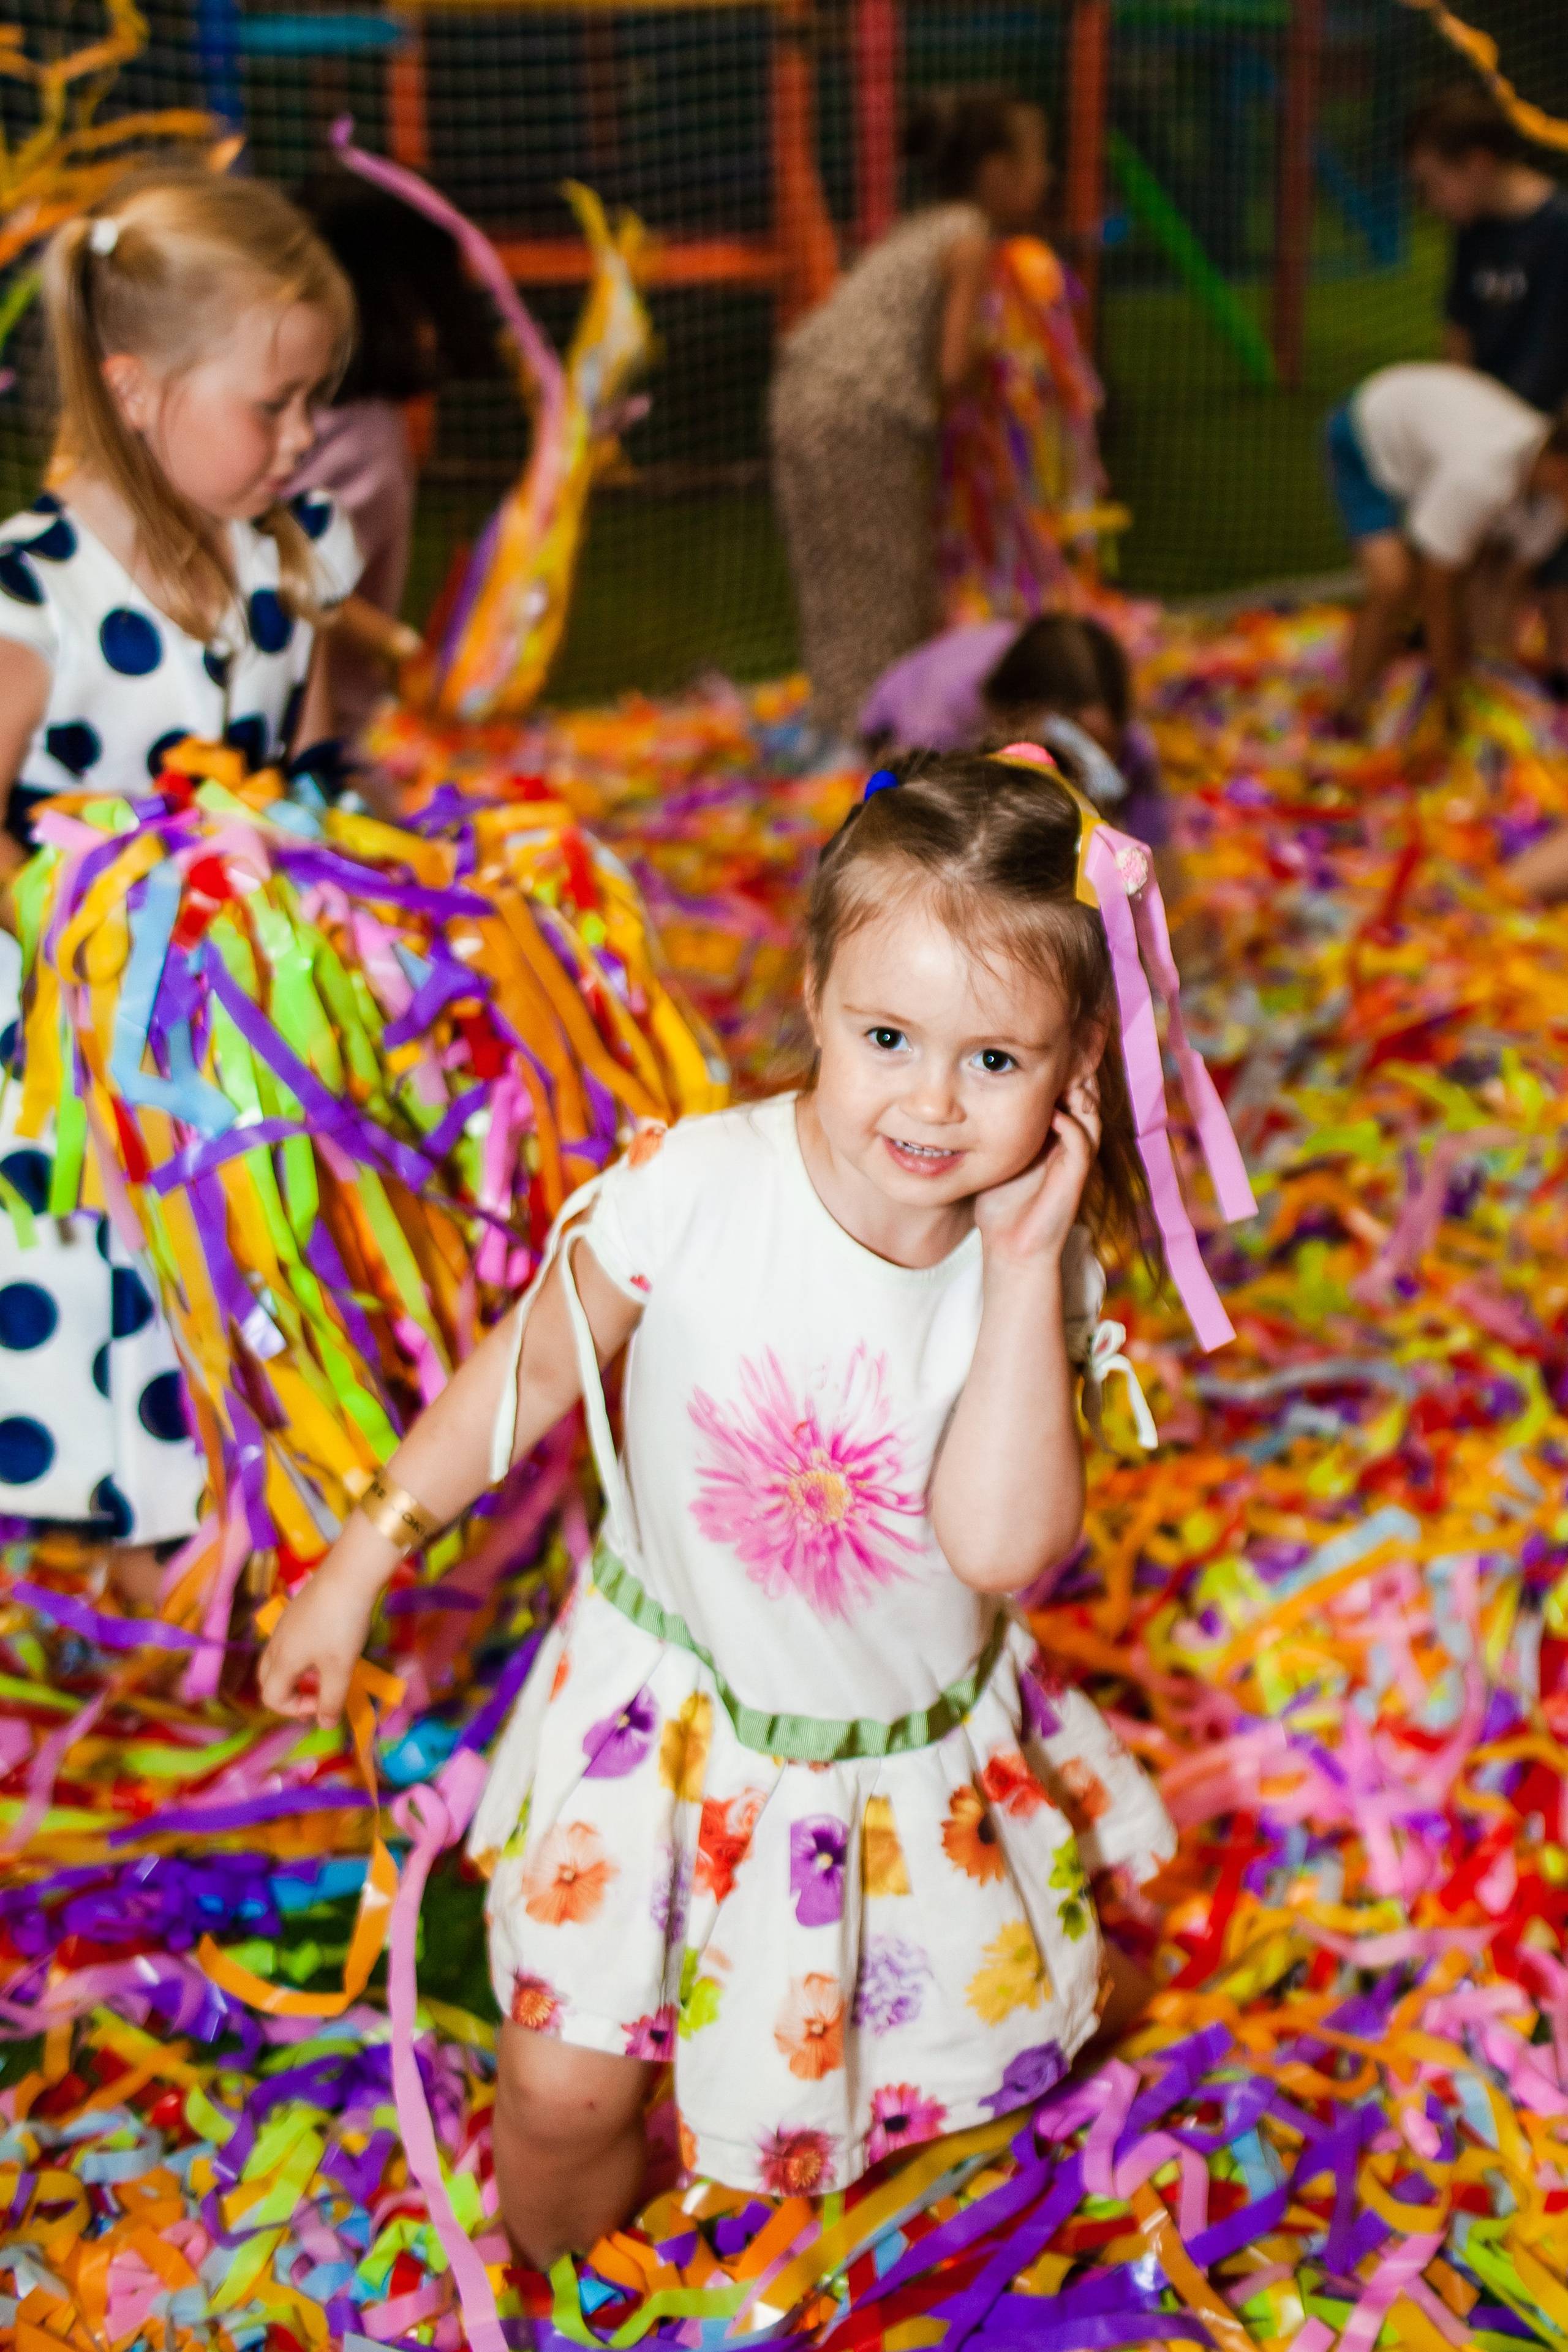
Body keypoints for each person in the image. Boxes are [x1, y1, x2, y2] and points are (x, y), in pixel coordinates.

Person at [260, 748, 1180, 2257]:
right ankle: (551, 2297)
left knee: (918, 2063)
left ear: (1078, 1061)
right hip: (657, 1716)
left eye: (994, 1060)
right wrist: (363, 1551)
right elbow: (538, 1364)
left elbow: (1002, 1548)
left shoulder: (1032, 1270)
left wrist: (1022, 1273)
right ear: (813, 988)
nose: (931, 1102)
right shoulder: (696, 1184)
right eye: (886, 1033)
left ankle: (1067, 1993)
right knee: (559, 2096)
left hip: (871, 1775)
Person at [0, 168, 360, 1590]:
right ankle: (109, 1524)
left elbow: (317, 759)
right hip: (72, 1018)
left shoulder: (288, 554)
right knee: (96, 1250)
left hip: (243, 996)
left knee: (229, 1243)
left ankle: (205, 1499)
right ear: (138, 390)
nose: (305, 435)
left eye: (313, 398)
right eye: (270, 405)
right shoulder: (41, 589)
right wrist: (82, 927)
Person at [770, 89, 1051, 744]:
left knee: (831, 570)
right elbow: (953, 367)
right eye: (1036, 162)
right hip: (863, 408)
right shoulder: (970, 238)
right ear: (995, 171)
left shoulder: (918, 227)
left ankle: (832, 721)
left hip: (801, 388)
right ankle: (864, 735)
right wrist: (998, 371)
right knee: (884, 580)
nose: (1046, 178)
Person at [289, 170, 503, 736]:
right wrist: (410, 654)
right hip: (309, 742)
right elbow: (293, 577)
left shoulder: (318, 421)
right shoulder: (360, 442)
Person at [1406, 84, 1568, 686]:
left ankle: (1550, 672)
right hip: (1485, 437)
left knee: (1549, 556)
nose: (1430, 201)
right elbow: (1459, 338)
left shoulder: (1557, 228)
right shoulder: (1471, 232)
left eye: (1432, 183)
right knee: (1477, 548)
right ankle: (1472, 668)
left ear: (1475, 163)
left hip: (1546, 436)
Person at [1323, 361, 1568, 725]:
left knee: (1479, 575)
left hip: (1437, 442)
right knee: (1394, 582)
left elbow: (1509, 585)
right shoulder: (1480, 477)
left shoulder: (1550, 504)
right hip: (1368, 427)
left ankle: (1435, 669)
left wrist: (1493, 668)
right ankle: (1349, 708)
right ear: (1560, 465)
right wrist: (1453, 695)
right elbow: (1438, 592)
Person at [860, 611, 1169, 853]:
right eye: (1083, 742)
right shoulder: (945, 708)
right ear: (1023, 715)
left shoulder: (1116, 734)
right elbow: (905, 797)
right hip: (890, 733)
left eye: (1105, 747)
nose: (1101, 761)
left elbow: (1151, 832)